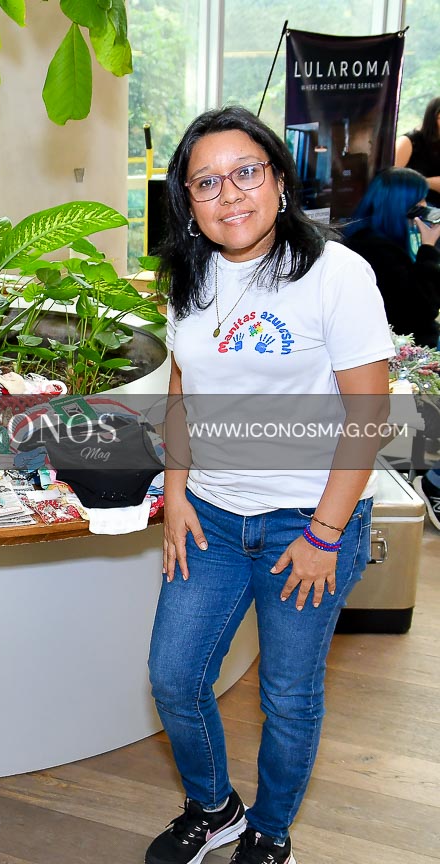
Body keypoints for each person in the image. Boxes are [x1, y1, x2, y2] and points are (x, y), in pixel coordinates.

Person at [146, 106, 394, 864]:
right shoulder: (189, 278)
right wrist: (177, 492)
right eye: (206, 182)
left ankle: (271, 830)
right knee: (174, 676)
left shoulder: (337, 274)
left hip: (309, 521)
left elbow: (370, 412)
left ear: (280, 181)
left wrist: (325, 533)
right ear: (188, 201)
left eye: (246, 172)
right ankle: (214, 807)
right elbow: (183, 389)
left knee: (287, 694)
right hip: (213, 515)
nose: (229, 194)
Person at [341, 167, 440, 349]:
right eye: (421, 200)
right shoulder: (378, 250)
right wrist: (428, 248)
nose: (426, 206)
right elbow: (423, 307)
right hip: (407, 347)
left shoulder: (371, 238)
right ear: (405, 205)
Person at [394, 97, 440, 207]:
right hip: (417, 204)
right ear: (433, 119)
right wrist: (427, 182)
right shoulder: (408, 141)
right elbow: (389, 180)